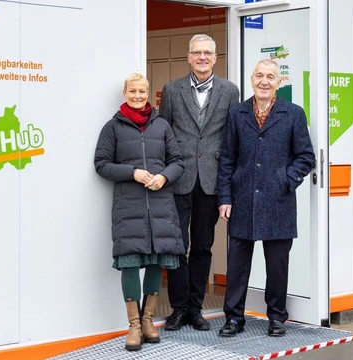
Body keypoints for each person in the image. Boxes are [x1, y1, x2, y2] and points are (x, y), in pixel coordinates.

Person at [216, 59, 315, 338]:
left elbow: (305, 156)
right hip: (242, 200)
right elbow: (227, 159)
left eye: (270, 77)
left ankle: (276, 317)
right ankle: (234, 318)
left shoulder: (293, 113)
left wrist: (286, 179)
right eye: (259, 75)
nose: (264, 81)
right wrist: (225, 197)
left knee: (277, 266)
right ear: (251, 79)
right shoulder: (237, 113)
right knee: (237, 266)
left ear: (278, 82)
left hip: (278, 201)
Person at [94, 72, 185, 351]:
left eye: (142, 92)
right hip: (129, 208)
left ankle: (148, 321)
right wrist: (132, 172)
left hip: (160, 206)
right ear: (125, 93)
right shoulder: (113, 127)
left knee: (157, 262)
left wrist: (165, 177)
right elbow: (101, 164)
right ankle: (133, 326)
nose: (137, 96)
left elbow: (178, 161)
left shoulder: (162, 126)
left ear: (149, 93)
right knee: (130, 264)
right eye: (133, 91)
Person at [158, 34, 240, 332]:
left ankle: (196, 309)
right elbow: (163, 133)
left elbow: (232, 137)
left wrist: (230, 183)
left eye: (207, 53)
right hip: (179, 178)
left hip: (211, 179)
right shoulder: (171, 89)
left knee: (203, 246)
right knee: (178, 245)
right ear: (189, 57)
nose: (202, 57)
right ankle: (178, 309)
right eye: (197, 53)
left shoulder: (230, 91)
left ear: (215, 58)